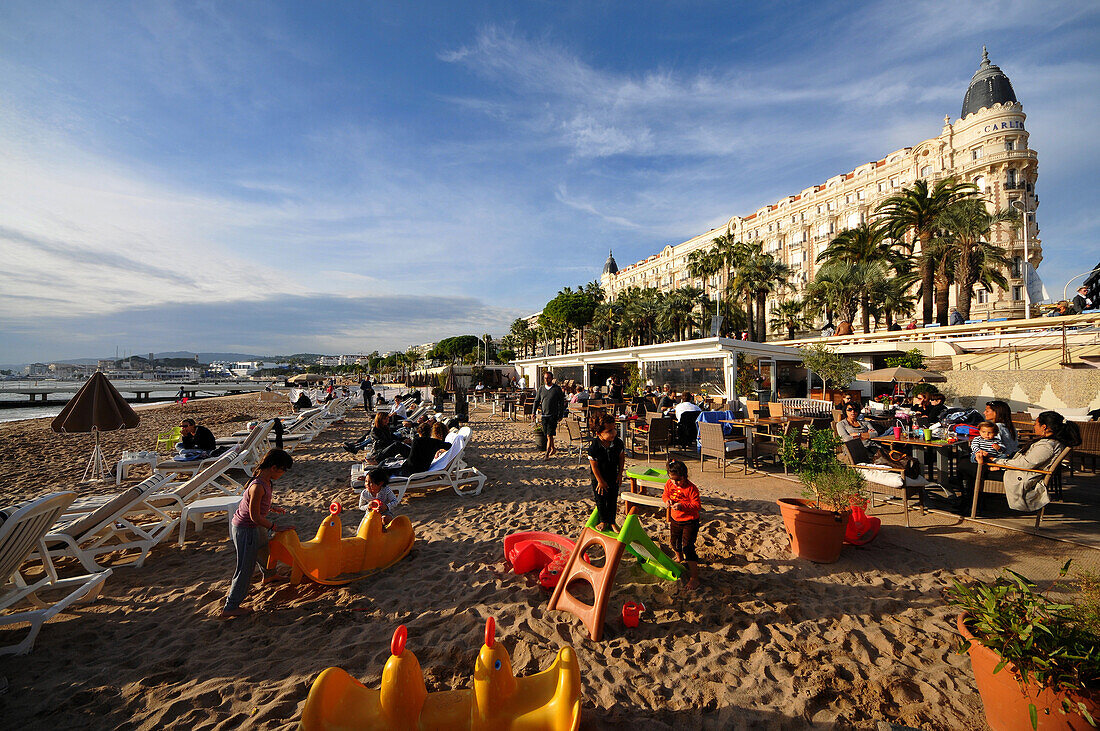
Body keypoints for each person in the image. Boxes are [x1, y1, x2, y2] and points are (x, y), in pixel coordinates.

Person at [222, 448, 293, 618]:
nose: (283, 474)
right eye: (283, 470)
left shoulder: (266, 481)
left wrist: (271, 508)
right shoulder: (257, 486)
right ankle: (231, 606)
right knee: (245, 568)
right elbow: (254, 516)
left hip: (256, 526)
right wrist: (275, 526)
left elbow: (257, 507)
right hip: (246, 529)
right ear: (274, 468)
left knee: (264, 551)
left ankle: (269, 575)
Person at [981, 411, 1081, 512]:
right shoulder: (1052, 442)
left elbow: (1025, 464)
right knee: (969, 465)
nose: (1034, 426)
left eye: (1036, 424)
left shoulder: (1047, 446)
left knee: (973, 468)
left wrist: (996, 461)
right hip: (1021, 472)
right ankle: (976, 503)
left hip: (1020, 476)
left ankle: (975, 505)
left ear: (1044, 427)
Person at [662, 460, 701, 591]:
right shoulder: (669, 483)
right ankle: (679, 559)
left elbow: (697, 505)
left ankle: (694, 578)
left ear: (684, 476)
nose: (675, 483)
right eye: (672, 479)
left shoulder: (691, 488)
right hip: (675, 519)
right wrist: (667, 500)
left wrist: (682, 505)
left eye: (678, 480)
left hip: (690, 521)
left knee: (688, 547)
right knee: (674, 542)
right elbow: (665, 494)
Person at [587, 413, 624, 533]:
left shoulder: (618, 443)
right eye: (609, 431)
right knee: (601, 499)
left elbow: (621, 458)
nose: (613, 433)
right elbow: (594, 466)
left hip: (613, 474)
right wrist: (600, 481)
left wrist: (620, 474)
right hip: (599, 477)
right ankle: (603, 520)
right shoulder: (594, 447)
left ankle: (612, 521)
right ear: (599, 434)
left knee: (613, 499)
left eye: (614, 429)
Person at [535, 371, 567, 459]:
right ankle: (553, 448)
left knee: (549, 435)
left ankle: (547, 454)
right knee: (548, 435)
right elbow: (537, 401)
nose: (546, 380)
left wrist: (560, 414)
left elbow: (561, 402)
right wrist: (533, 412)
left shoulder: (557, 389)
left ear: (552, 378)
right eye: (545, 378)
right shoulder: (541, 389)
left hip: (553, 415)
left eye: (548, 378)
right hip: (544, 415)